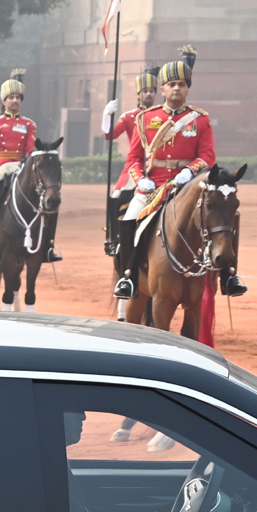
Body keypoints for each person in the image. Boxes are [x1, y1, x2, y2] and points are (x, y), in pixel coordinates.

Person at [115, 46, 246, 300]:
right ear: (162, 89)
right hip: (153, 185)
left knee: (229, 214)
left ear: (188, 89)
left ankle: (229, 275)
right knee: (129, 218)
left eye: (182, 84)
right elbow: (134, 158)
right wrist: (140, 179)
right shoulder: (146, 118)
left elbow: (208, 156)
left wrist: (189, 171)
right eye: (172, 84)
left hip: (189, 185)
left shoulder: (200, 120)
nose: (177, 88)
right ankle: (128, 276)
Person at [0, 68, 61, 267]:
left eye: (18, 97)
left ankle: (48, 247)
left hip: (20, 165)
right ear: (3, 101)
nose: (15, 101)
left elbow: (30, 148)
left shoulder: (29, 124)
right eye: (11, 97)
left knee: (46, 200)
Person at [102, 65, 160, 319]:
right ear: (138, 94)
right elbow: (109, 135)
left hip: (160, 170)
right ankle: (114, 239)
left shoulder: (163, 115)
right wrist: (108, 115)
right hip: (135, 171)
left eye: (152, 90)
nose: (149, 95)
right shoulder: (129, 117)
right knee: (116, 196)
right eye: (145, 91)